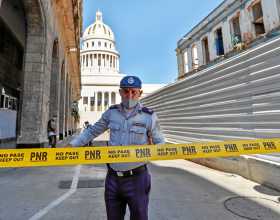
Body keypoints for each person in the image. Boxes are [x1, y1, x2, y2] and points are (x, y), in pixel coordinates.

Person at [70, 75, 164, 220]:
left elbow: (160, 143)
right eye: (126, 91)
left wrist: (159, 151)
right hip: (113, 178)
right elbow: (92, 131)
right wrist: (72, 146)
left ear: (140, 93)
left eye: (134, 92)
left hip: (137, 179)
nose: (130, 95)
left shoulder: (149, 116)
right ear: (120, 92)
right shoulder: (111, 113)